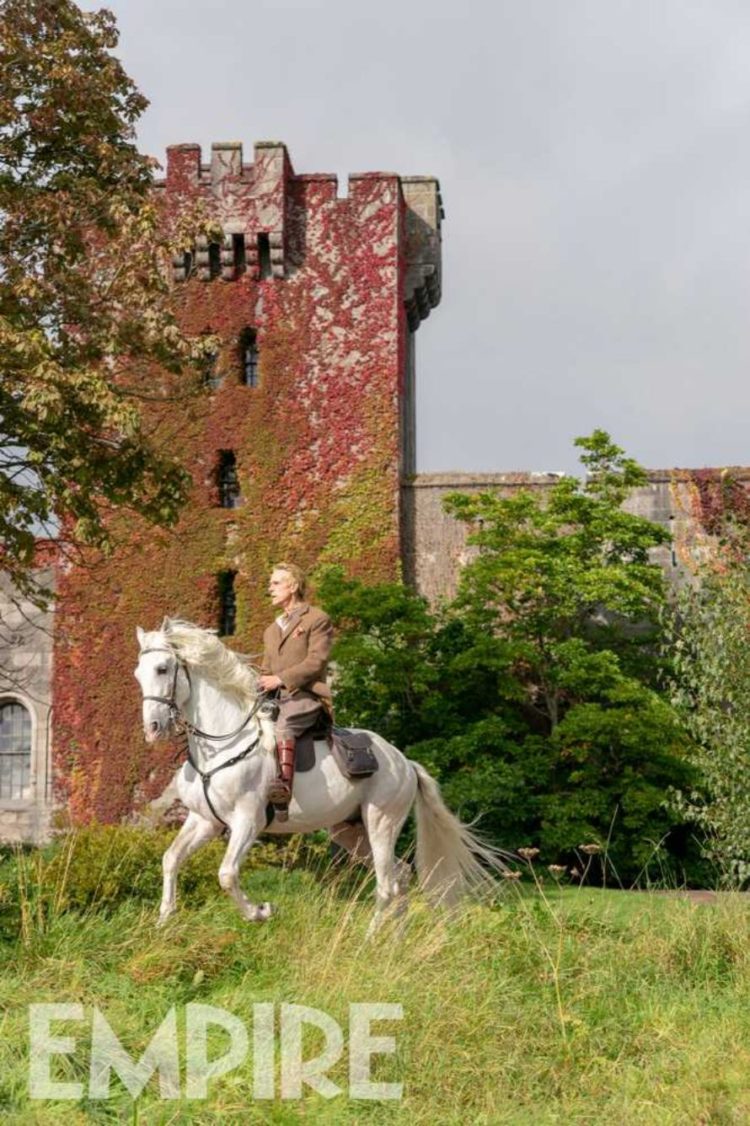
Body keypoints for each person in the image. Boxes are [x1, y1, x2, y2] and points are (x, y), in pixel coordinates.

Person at [258, 562, 333, 820]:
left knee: (284, 725)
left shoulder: (317, 618)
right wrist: (259, 681)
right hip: (275, 697)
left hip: (306, 696)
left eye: (276, 583)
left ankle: (282, 791)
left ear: (293, 586)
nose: (270, 588)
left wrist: (279, 678)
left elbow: (316, 662)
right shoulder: (271, 630)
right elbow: (266, 669)